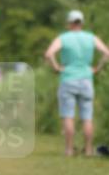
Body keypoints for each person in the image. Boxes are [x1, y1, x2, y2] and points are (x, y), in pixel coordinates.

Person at [45, 10, 109, 157]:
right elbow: (107, 53)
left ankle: (68, 150)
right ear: (81, 22)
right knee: (87, 117)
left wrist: (56, 67)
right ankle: (88, 150)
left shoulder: (63, 38)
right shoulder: (91, 37)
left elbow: (48, 54)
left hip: (68, 79)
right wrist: (96, 68)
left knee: (68, 116)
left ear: (69, 23)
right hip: (87, 79)